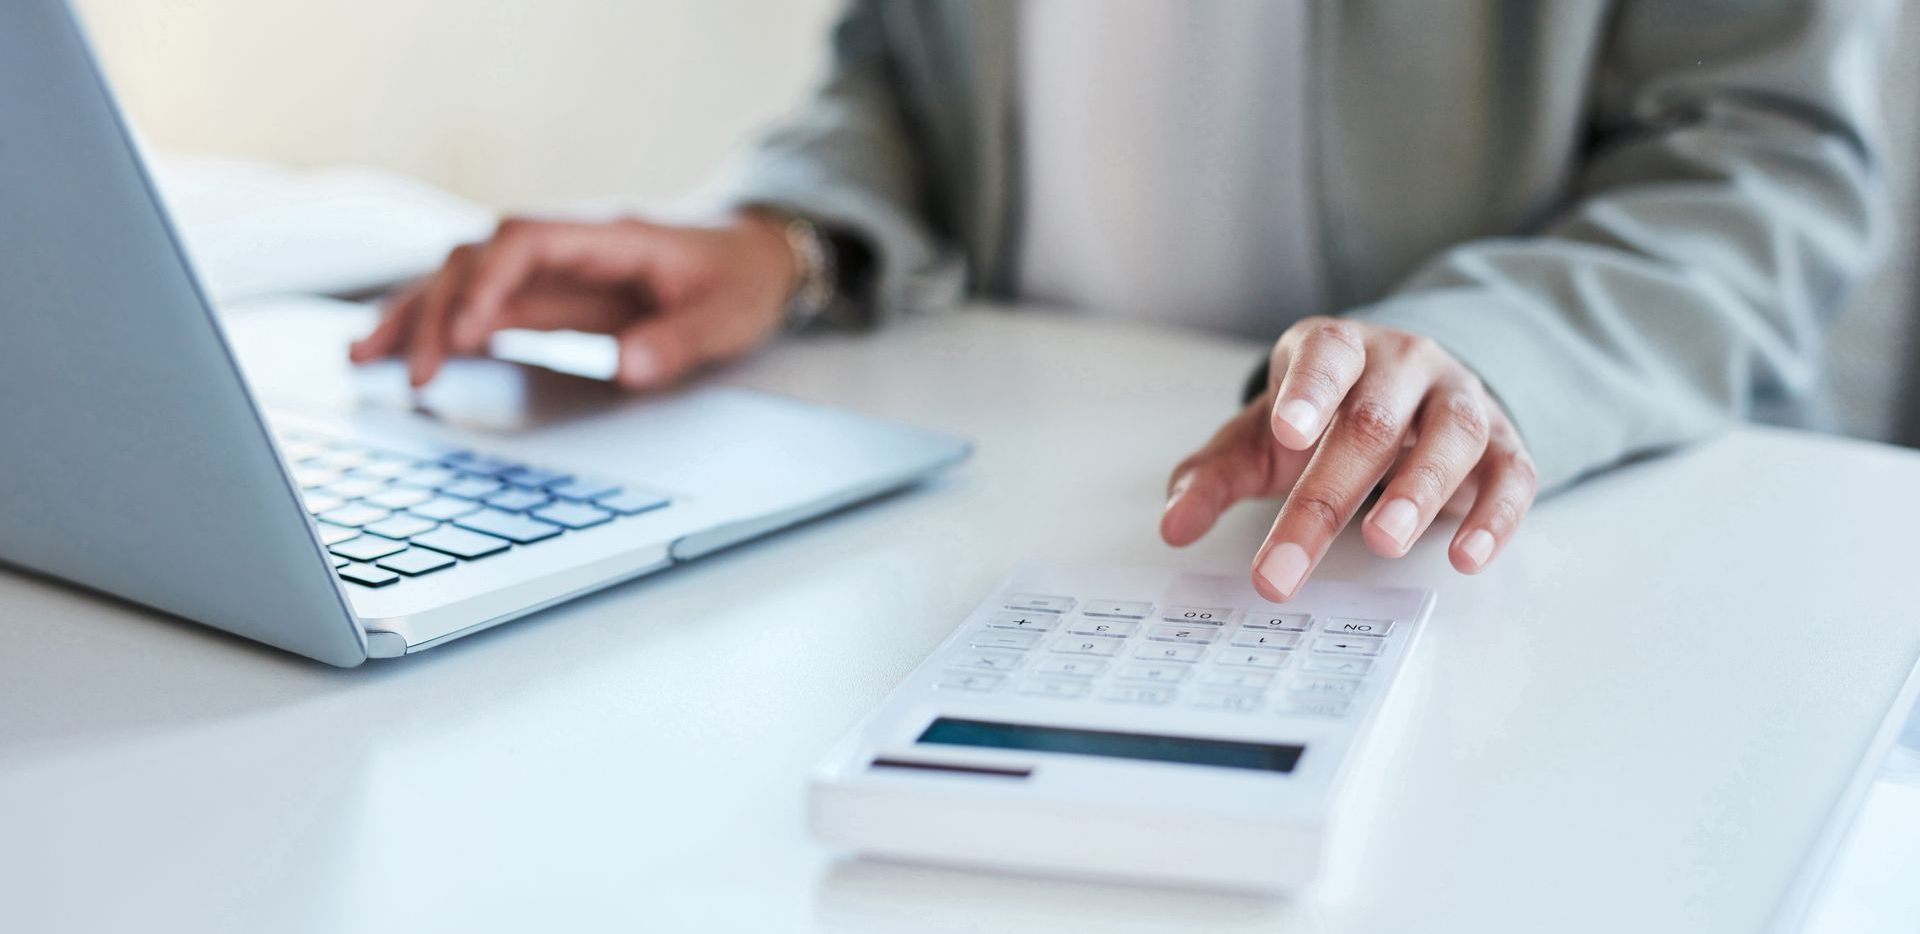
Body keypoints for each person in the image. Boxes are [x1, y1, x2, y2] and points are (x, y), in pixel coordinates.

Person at [351, 0, 1891, 602]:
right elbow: (900, 62)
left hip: (1498, 563)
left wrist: (1493, 360)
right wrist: (791, 234)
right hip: (1005, 507)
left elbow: (1770, 158)